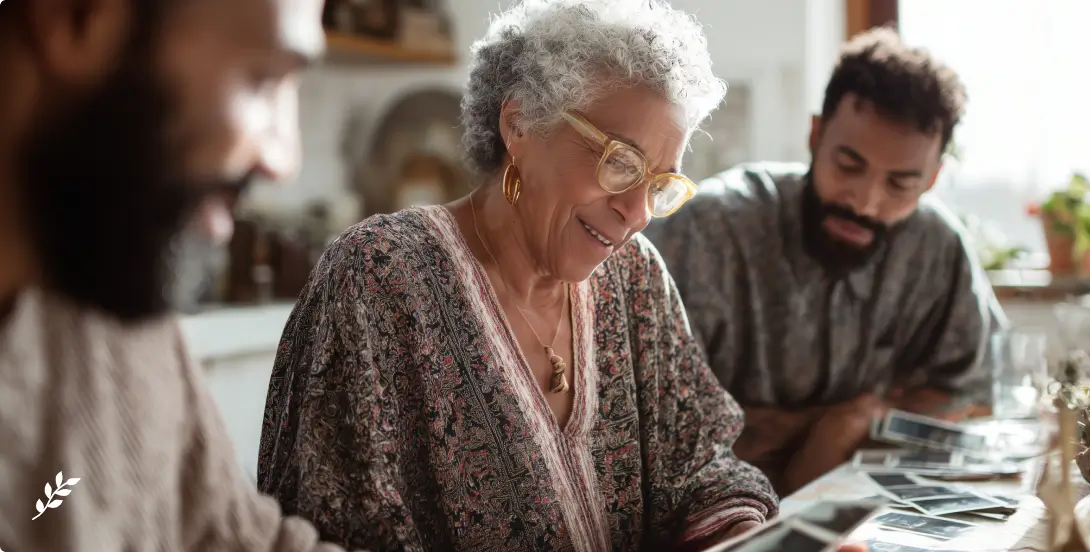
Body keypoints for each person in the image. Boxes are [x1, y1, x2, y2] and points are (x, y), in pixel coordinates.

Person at [255, 2, 785, 551]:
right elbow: (330, 526)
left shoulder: (636, 276)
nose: (639, 211)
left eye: (659, 183)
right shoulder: (377, 278)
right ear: (520, 124)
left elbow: (702, 466)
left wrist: (744, 534)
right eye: (620, 161)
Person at [0, 0, 354, 549]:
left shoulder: (105, 285)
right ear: (73, 17)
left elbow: (240, 539)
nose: (285, 159)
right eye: (262, 79)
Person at [646, 28, 1006, 495]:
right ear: (816, 135)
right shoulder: (709, 229)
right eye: (849, 166)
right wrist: (829, 425)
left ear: (932, 179)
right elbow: (652, 429)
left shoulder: (939, 249)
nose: (865, 202)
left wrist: (860, 420)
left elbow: (973, 396)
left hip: (867, 507)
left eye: (899, 184)